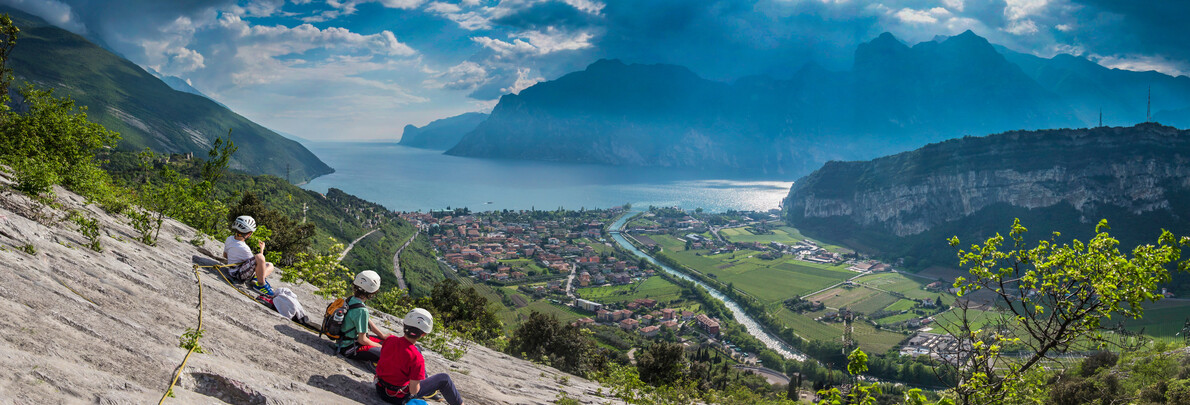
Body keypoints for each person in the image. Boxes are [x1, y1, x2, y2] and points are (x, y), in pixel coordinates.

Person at [375, 308, 465, 405]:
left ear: (404, 325)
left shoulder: (390, 340)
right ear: (424, 334)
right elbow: (414, 391)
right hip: (397, 397)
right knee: (444, 379)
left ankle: (421, 378)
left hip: (380, 389)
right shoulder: (416, 358)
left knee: (416, 349)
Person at [337, 270, 391, 362]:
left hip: (344, 342)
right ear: (372, 292)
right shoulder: (361, 310)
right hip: (350, 348)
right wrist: (380, 346)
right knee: (389, 353)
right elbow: (362, 340)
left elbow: (367, 321)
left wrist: (382, 335)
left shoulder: (351, 299)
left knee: (388, 342)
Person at [224, 215, 276, 296]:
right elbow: (258, 263)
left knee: (270, 265)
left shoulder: (229, 239)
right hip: (239, 275)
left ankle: (256, 279)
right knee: (261, 258)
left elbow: (225, 255)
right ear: (249, 234)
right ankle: (261, 285)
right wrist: (262, 250)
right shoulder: (244, 248)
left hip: (232, 271)